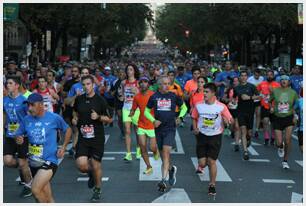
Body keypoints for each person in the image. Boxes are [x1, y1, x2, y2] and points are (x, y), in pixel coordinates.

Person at [15, 93, 72, 203]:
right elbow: (18, 134)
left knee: (35, 190)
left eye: (32, 105)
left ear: (41, 105)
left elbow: (68, 129)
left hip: (49, 160)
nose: (29, 108)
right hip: (34, 162)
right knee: (46, 198)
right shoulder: (27, 119)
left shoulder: (54, 118)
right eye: (28, 105)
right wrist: (18, 138)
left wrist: (64, 147)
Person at [72, 75, 112, 202]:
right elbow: (74, 111)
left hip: (97, 138)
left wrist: (99, 117)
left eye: (88, 84)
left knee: (96, 165)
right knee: (81, 165)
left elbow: (109, 119)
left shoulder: (100, 100)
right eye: (83, 84)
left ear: (93, 85)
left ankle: (97, 190)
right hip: (83, 137)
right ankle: (91, 174)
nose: (86, 87)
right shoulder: (79, 99)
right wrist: (75, 118)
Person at [145, 76, 187, 192]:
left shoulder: (174, 96)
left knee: (166, 153)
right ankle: (171, 170)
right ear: (159, 85)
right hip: (158, 129)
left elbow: (184, 108)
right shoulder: (154, 97)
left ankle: (163, 180)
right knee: (164, 156)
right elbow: (146, 111)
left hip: (170, 128)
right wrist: (153, 120)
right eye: (164, 83)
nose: (167, 85)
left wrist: (180, 117)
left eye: (168, 83)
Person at [192, 82, 233, 196]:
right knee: (202, 163)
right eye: (203, 91)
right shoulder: (199, 105)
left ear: (213, 93)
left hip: (215, 136)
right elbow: (194, 117)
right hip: (202, 136)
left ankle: (212, 185)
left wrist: (227, 122)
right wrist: (195, 128)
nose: (204, 93)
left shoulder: (221, 106)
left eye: (206, 92)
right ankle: (203, 167)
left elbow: (230, 120)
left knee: (212, 161)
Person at [3, 76, 33, 198]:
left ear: (17, 86)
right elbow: (4, 115)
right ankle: (23, 168)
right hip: (10, 135)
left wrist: (26, 133)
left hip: (22, 136)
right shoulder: (4, 100)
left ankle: (29, 185)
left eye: (10, 83)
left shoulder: (24, 100)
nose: (7, 85)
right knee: (7, 161)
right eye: (6, 83)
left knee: (22, 162)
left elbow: (30, 118)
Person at [129, 76, 159, 175]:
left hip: (152, 125)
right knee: (142, 146)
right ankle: (148, 166)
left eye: (145, 81)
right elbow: (134, 108)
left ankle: (155, 152)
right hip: (141, 124)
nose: (142, 83)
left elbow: (158, 108)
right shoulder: (137, 96)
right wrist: (131, 113)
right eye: (141, 82)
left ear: (148, 84)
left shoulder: (154, 95)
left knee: (152, 147)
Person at [269, 75, 299, 169]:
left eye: (286, 80)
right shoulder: (275, 91)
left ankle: (285, 160)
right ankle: (280, 147)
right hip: (278, 118)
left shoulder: (293, 92)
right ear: (280, 81)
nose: (284, 81)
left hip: (288, 118)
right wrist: (272, 107)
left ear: (289, 82)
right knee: (279, 142)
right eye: (282, 80)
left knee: (287, 140)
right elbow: (270, 101)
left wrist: (294, 113)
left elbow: (297, 103)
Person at [234, 70, 260, 160]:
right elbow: (233, 98)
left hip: (250, 111)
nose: (243, 77)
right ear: (239, 77)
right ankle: (245, 151)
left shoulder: (251, 86)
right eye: (242, 75)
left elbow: (259, 96)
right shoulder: (237, 88)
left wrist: (249, 97)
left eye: (245, 75)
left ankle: (249, 139)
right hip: (240, 111)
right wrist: (232, 101)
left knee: (249, 133)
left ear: (247, 77)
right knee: (243, 130)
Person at [121, 64, 141, 161]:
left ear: (134, 71)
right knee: (127, 131)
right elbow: (121, 94)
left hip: (136, 109)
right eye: (128, 69)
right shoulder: (123, 82)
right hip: (126, 108)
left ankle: (138, 149)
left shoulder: (138, 83)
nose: (129, 71)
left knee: (137, 131)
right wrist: (121, 97)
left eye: (131, 69)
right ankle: (128, 153)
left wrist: (136, 91)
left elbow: (141, 95)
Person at [256, 70, 280, 145]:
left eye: (271, 75)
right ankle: (266, 137)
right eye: (268, 75)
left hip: (274, 107)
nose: (269, 76)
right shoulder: (262, 84)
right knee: (265, 121)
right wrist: (259, 96)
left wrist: (272, 91)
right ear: (266, 76)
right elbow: (255, 91)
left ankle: (273, 137)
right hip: (265, 106)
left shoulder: (277, 85)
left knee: (273, 123)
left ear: (273, 76)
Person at [189, 76, 208, 173]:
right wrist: (191, 109)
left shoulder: (208, 94)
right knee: (199, 143)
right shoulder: (194, 93)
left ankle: (206, 159)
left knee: (206, 143)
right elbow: (192, 106)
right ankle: (200, 165)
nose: (200, 84)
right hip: (197, 121)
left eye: (202, 82)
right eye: (199, 82)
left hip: (207, 122)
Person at [247, 68, 264, 138]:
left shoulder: (262, 78)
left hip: (259, 99)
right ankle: (249, 129)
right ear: (253, 74)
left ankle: (256, 130)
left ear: (260, 74)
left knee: (258, 114)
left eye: (258, 75)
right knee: (250, 115)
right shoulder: (250, 79)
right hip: (251, 99)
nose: (257, 76)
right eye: (255, 75)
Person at [110, 68, 126, 139]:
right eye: (120, 73)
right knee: (120, 117)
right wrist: (116, 91)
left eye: (122, 73)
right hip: (118, 101)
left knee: (126, 118)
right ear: (117, 74)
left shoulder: (127, 81)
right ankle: (122, 132)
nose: (121, 74)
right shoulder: (115, 82)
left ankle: (126, 130)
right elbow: (111, 93)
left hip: (127, 102)